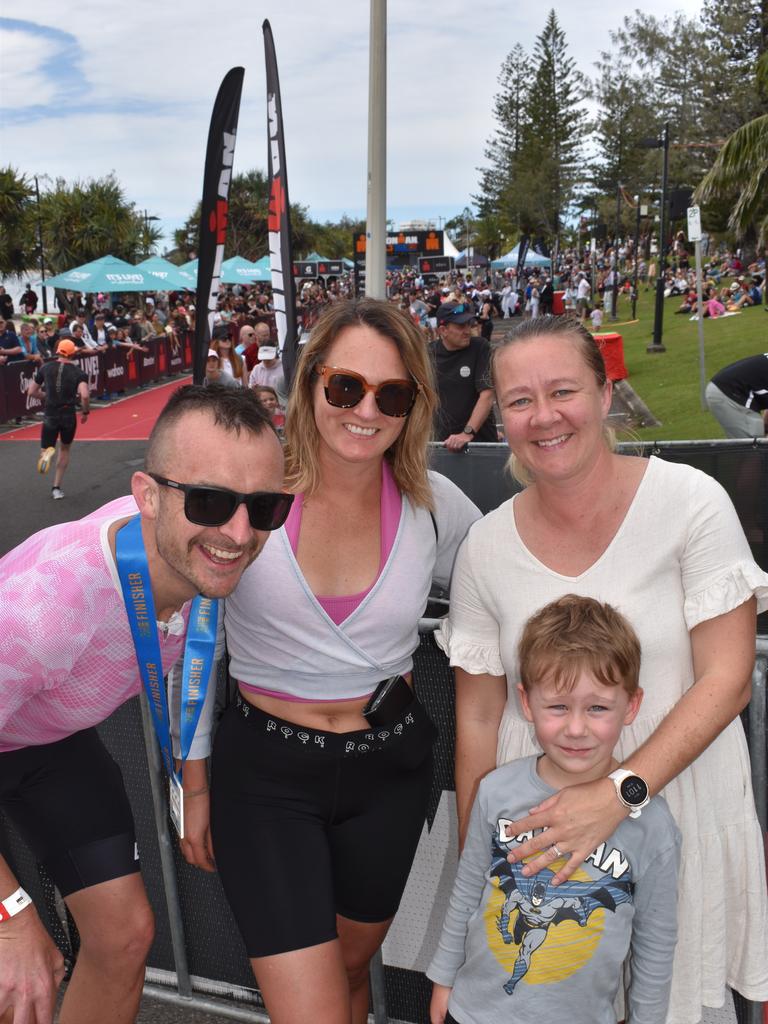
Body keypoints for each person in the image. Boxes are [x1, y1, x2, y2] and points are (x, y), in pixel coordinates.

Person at [439, 315, 768, 1020]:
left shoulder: (690, 504)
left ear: (605, 390)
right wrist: (483, 870)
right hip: (544, 848)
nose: (544, 416)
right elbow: (478, 715)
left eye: (563, 390)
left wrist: (616, 793)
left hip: (676, 815)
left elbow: (728, 676)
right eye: (520, 400)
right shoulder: (485, 548)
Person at [212, 299, 480, 1024]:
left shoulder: (435, 506)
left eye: (392, 395)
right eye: (345, 387)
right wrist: (195, 779)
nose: (367, 410)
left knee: (353, 969)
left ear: (414, 405)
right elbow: (173, 602)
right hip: (265, 779)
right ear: (309, 384)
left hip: (387, 772)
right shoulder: (251, 491)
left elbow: (510, 588)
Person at [0, 385, 290, 1024]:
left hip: (39, 739)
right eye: (211, 501)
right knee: (19, 965)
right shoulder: (48, 605)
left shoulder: (202, 557)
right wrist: (12, 917)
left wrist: (197, 788)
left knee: (125, 937)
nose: (239, 534)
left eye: (264, 507)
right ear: (148, 495)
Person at [429, 595, 680, 1024]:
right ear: (527, 703)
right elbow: (467, 890)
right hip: (473, 1013)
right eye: (558, 706)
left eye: (597, 707)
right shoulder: (496, 791)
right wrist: (443, 980)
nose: (576, 728)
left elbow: (655, 943)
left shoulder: (652, 823)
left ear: (631, 705)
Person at [429, 301, 496, 451]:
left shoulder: (480, 347)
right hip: (441, 445)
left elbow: (487, 394)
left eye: (468, 324)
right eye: (460, 326)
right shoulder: (428, 354)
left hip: (479, 444)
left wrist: (467, 433)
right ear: (443, 330)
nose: (467, 330)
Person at [29, 339, 90, 499]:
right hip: (68, 414)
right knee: (64, 449)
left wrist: (46, 396)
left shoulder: (45, 368)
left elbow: (32, 392)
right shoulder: (78, 372)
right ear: (72, 353)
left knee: (47, 446)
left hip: (50, 412)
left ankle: (46, 452)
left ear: (58, 351)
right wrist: (85, 412)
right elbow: (84, 395)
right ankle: (56, 488)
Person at [705, 353, 768, 438]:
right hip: (730, 393)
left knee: (757, 445)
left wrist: (764, 429)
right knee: (753, 447)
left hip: (727, 389)